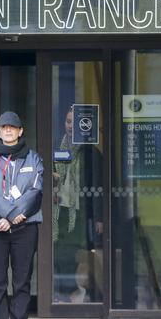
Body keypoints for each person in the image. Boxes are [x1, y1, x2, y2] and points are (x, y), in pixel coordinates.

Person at [0, 111, 44, 319]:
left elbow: (35, 192)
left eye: (12, 127)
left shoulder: (34, 159)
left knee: (22, 283)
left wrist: (11, 218)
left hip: (25, 228)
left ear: (20, 131)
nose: (8, 130)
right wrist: (9, 215)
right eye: (3, 127)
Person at [52, 107, 103, 303]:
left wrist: (99, 217)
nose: (71, 126)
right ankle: (67, 292)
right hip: (60, 211)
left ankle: (92, 294)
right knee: (61, 251)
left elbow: (100, 187)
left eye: (75, 122)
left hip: (83, 213)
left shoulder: (91, 153)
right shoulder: (58, 149)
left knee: (81, 252)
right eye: (68, 121)